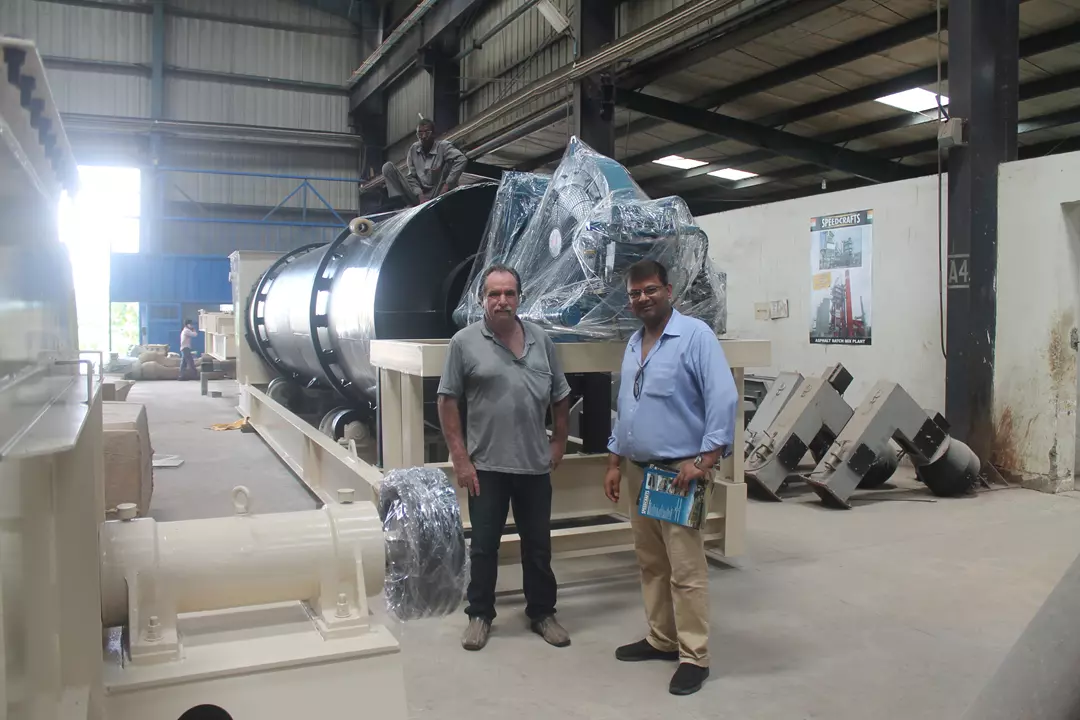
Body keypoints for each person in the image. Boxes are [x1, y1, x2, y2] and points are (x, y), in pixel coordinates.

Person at [603, 259, 738, 697]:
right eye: (635, 293)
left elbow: (723, 397)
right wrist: (614, 461)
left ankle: (694, 656)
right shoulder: (633, 343)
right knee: (651, 562)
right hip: (639, 470)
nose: (643, 298)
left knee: (685, 568)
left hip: (679, 475)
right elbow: (626, 408)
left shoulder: (695, 336)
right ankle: (662, 638)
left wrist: (705, 460)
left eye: (650, 290)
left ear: (669, 290)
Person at [437, 263, 572, 652]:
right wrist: (460, 458)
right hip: (486, 468)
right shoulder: (464, 342)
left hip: (534, 465)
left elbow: (561, 395)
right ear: (482, 299)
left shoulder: (541, 340)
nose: (502, 301)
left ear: (519, 297)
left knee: (538, 545)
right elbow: (447, 401)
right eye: (493, 294)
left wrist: (559, 442)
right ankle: (479, 614)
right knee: (483, 547)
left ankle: (542, 613)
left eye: (509, 293)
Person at [382, 118, 468, 207]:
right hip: (420, 197)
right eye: (420, 134)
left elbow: (461, 159)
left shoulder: (443, 146)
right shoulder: (414, 149)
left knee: (450, 164)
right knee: (387, 167)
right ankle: (400, 204)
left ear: (433, 134)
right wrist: (421, 197)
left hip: (439, 193)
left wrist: (447, 185)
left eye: (427, 133)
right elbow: (411, 177)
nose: (423, 137)